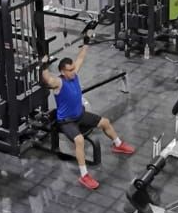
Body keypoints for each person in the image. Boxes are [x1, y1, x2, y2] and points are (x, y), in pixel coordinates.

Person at [40, 33, 135, 190]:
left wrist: (86, 42)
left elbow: (81, 58)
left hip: (80, 115)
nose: (73, 71)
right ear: (63, 71)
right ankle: (84, 175)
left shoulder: (73, 74)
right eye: (70, 70)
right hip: (67, 121)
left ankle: (118, 144)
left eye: (73, 69)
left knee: (105, 122)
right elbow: (47, 79)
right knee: (79, 141)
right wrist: (43, 66)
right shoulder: (59, 82)